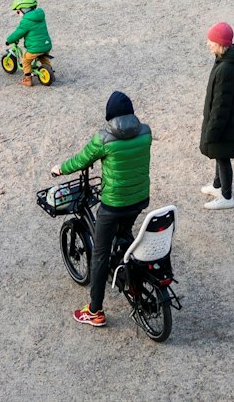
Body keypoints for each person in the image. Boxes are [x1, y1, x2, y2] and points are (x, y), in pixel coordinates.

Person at [51, 90, 153, 328]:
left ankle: (95, 310)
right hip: (139, 199)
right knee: (125, 233)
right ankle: (132, 279)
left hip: (114, 203)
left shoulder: (104, 138)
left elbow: (81, 160)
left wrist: (60, 169)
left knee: (100, 254)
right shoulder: (146, 132)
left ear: (110, 116)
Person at [199, 22, 234, 210]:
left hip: (224, 124)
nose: (208, 44)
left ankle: (226, 196)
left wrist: (212, 131)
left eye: (211, 40)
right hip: (227, 121)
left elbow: (221, 104)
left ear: (220, 43)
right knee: (219, 153)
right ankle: (217, 185)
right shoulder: (226, 59)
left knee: (222, 156)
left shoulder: (226, 69)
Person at [4, 0, 52, 86]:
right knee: (43, 57)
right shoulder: (40, 17)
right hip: (46, 45)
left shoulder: (26, 21)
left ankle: (28, 80)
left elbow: (18, 33)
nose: (18, 14)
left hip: (35, 48)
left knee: (25, 60)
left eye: (18, 12)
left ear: (24, 10)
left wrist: (9, 40)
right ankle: (49, 69)